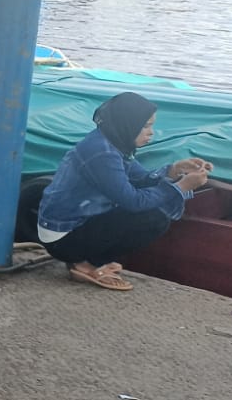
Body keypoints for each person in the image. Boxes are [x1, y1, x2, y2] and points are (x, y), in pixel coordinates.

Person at [37, 92, 211, 292]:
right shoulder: (101, 153)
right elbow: (134, 201)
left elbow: (140, 178)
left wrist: (174, 170)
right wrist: (181, 187)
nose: (151, 133)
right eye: (145, 126)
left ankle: (90, 258)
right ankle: (87, 265)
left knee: (154, 205)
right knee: (154, 218)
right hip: (64, 238)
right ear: (127, 123)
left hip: (76, 224)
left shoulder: (111, 141)